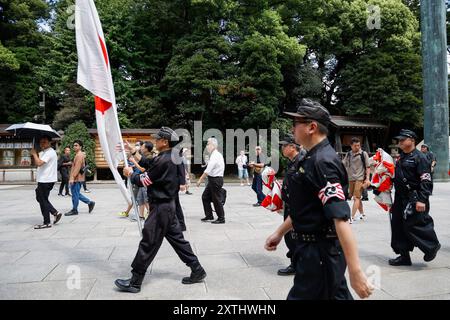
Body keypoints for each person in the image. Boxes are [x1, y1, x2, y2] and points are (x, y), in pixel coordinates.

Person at [265, 98, 373, 300]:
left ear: (311, 127)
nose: (293, 128)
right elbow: (308, 207)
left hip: (320, 253)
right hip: (311, 251)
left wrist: (355, 271)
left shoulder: (323, 162)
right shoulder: (311, 157)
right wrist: (280, 232)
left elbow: (340, 218)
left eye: (296, 123)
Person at [115, 127, 206, 293]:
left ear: (164, 142)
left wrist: (130, 174)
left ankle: (135, 281)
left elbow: (146, 179)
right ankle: (197, 269)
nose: (155, 141)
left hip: (160, 208)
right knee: (178, 241)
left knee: (148, 242)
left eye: (157, 139)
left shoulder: (165, 159)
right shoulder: (169, 156)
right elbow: (149, 162)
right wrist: (133, 151)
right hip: (167, 206)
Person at [389, 129, 440, 266]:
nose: (399, 141)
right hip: (400, 197)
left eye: (403, 139)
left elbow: (426, 180)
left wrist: (422, 200)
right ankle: (404, 256)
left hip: (415, 197)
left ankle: (431, 246)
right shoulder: (402, 157)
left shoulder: (420, 157)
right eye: (399, 139)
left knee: (416, 225)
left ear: (412, 140)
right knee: (398, 226)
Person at [277, 133, 306, 276]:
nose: (282, 148)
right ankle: (296, 263)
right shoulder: (292, 161)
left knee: (294, 236)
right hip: (290, 204)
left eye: (284, 146)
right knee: (290, 236)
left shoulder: (301, 161)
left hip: (297, 207)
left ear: (292, 147)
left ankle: (297, 265)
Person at [30, 136, 62, 229]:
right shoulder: (44, 152)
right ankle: (53, 214)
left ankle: (48, 220)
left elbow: (39, 163)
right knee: (41, 199)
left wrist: (35, 154)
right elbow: (37, 163)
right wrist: (35, 154)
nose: (42, 144)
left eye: (44, 142)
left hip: (46, 180)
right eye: (41, 142)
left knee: (42, 200)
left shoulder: (50, 152)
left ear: (50, 143)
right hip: (43, 179)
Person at [197, 138, 226, 224]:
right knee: (205, 197)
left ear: (213, 145)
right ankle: (209, 215)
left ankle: (221, 218)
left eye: (208, 144)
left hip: (216, 180)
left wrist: (199, 180)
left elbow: (207, 171)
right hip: (213, 179)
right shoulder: (214, 155)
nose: (207, 146)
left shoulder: (215, 155)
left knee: (216, 199)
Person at [342, 137, 371, 223]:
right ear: (351, 146)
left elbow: (368, 167)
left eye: (359, 145)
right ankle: (362, 213)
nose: (358, 147)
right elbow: (343, 165)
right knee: (356, 197)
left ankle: (352, 216)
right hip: (351, 178)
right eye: (355, 146)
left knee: (356, 197)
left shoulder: (363, 154)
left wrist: (367, 179)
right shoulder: (348, 154)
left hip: (360, 178)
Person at [65, 140, 95, 216]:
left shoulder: (79, 155)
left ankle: (75, 210)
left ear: (80, 147)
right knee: (76, 193)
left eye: (76, 145)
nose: (74, 147)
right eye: (74, 145)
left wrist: (72, 178)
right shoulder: (79, 154)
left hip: (76, 178)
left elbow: (77, 168)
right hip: (77, 177)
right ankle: (90, 202)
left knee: (75, 194)